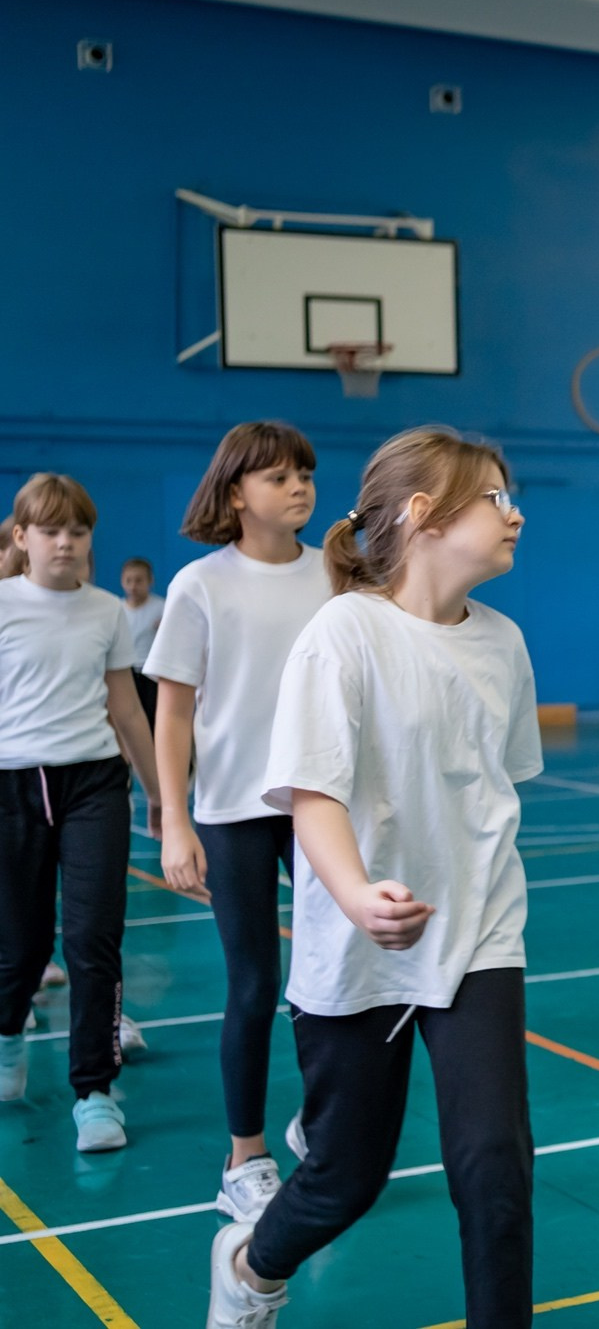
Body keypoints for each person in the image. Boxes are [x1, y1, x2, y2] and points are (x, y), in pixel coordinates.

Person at [208, 427, 538, 1329]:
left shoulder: (503, 643)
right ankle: (249, 1264)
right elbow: (312, 795)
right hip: (358, 948)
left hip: (479, 931)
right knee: (346, 1177)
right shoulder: (342, 634)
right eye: (496, 500)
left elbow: (497, 782)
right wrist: (357, 896)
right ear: (426, 516)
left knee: (495, 1166)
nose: (515, 516)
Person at [147, 421, 329, 1220]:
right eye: (279, 477)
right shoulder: (199, 584)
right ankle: (244, 1156)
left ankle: (315, 1121)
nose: (299, 488)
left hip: (319, 803)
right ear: (235, 494)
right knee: (254, 985)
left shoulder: (338, 576)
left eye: (306, 475)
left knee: (337, 980)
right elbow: (174, 713)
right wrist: (176, 821)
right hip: (232, 811)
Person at [0, 474, 163, 1152]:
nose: (66, 542)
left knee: (93, 941)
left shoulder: (106, 612)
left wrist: (162, 795)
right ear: (22, 538)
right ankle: (9, 1040)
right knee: (20, 947)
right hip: (11, 785)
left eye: (78, 530)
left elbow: (125, 706)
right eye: (51, 530)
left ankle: (94, 1092)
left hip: (94, 783)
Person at [120, 558, 166, 729]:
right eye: (128, 581)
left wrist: (165, 628)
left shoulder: (162, 608)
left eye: (139, 580)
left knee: (153, 714)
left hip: (152, 671)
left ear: (150, 581)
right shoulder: (118, 610)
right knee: (130, 714)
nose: (133, 586)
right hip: (128, 670)